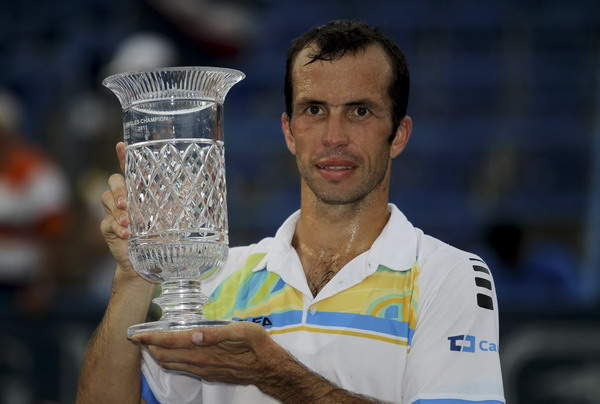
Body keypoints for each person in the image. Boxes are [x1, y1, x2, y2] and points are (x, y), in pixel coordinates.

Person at [77, 20, 505, 404]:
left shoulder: (447, 276)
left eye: (360, 111)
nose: (334, 137)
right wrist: (134, 276)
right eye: (314, 110)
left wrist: (272, 373)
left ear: (399, 134)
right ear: (289, 130)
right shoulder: (217, 279)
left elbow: (272, 373)